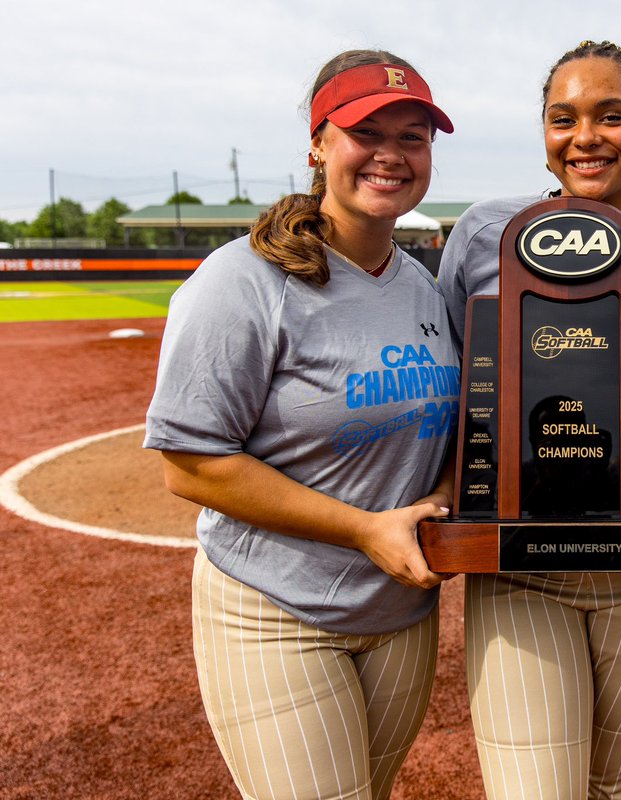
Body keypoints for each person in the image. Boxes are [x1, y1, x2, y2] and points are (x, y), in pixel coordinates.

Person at [143, 50, 459, 800]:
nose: (390, 154)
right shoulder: (243, 279)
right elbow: (188, 463)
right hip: (276, 609)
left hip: (400, 613)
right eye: (365, 132)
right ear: (318, 144)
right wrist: (364, 530)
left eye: (412, 137)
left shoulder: (423, 285)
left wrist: (446, 498)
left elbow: (452, 430)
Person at [437, 40, 621, 799]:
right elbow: (453, 382)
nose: (586, 137)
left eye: (611, 116)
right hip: (518, 562)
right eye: (563, 118)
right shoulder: (484, 233)